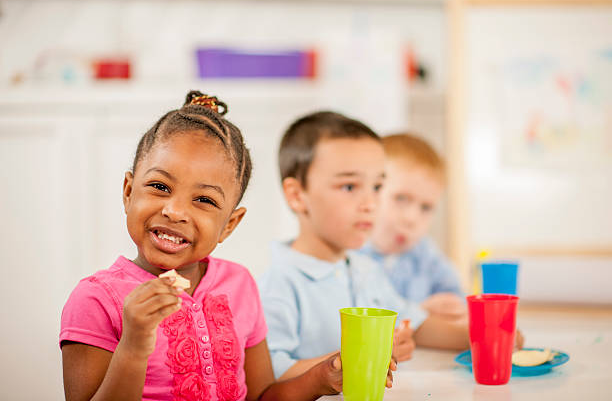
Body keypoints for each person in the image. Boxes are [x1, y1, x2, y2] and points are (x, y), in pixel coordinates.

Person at [59, 92, 352, 401]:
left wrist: (321, 379)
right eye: (160, 186)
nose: (175, 211)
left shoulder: (239, 284)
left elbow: (263, 396)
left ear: (229, 224)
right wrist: (133, 347)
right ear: (129, 192)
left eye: (204, 200)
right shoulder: (95, 300)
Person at [258, 112, 471, 382]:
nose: (371, 204)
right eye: (349, 186)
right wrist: (364, 355)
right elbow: (269, 373)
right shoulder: (279, 284)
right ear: (297, 196)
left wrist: (480, 337)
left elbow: (415, 323)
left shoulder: (366, 271)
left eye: (377, 186)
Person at [359, 133, 466, 319]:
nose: (411, 219)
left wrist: (451, 308)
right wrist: (418, 313)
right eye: (401, 198)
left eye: (426, 208)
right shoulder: (351, 254)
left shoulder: (425, 254)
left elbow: (457, 298)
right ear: (371, 192)